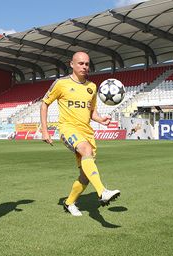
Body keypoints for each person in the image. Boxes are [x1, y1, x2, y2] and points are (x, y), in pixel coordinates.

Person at [40, 51, 120, 217]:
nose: (84, 67)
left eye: (86, 64)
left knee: (85, 175)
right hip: (68, 129)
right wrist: (45, 130)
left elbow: (92, 112)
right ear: (72, 64)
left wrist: (101, 119)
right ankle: (102, 192)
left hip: (87, 132)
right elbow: (44, 104)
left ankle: (69, 202)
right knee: (86, 150)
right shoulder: (60, 84)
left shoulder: (92, 87)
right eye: (80, 63)